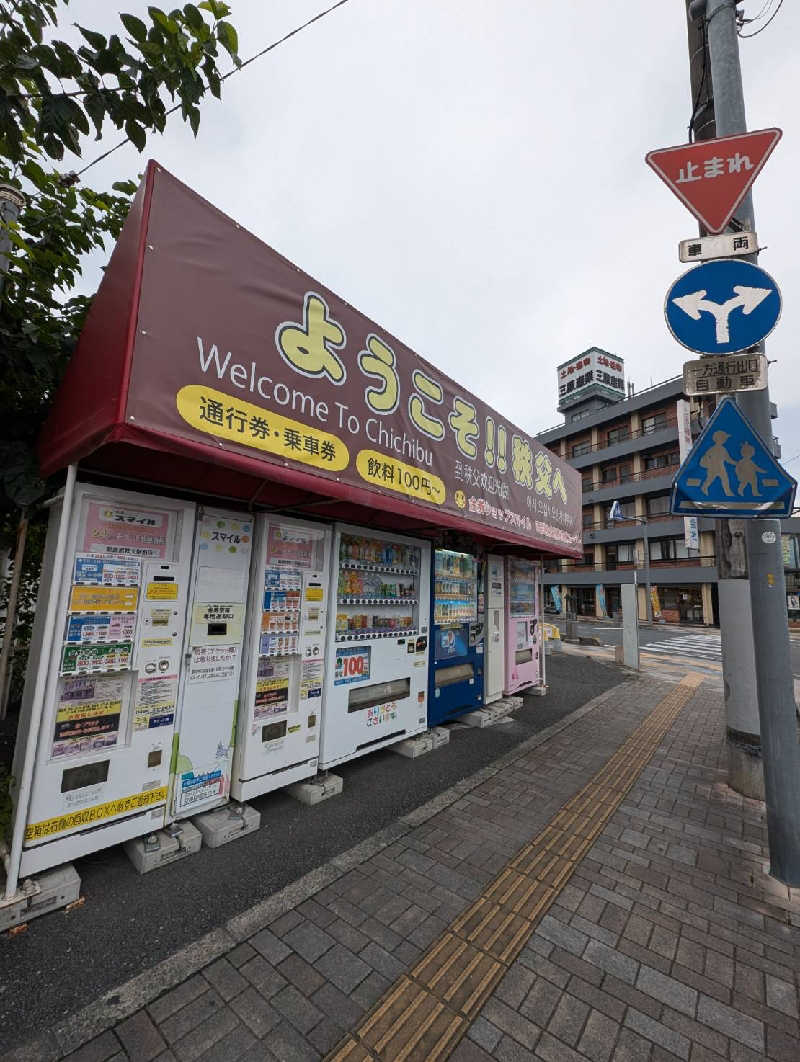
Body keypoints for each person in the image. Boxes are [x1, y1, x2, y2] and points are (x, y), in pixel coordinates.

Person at [700, 431, 736, 497]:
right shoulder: (712, 449)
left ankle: (728, 492)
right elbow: (706, 456)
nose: (724, 440)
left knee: (725, 479)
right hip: (713, 467)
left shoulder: (723, 449)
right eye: (723, 438)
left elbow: (728, 459)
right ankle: (704, 487)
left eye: (724, 439)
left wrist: (736, 463)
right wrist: (708, 463)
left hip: (721, 468)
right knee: (710, 479)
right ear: (718, 439)